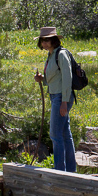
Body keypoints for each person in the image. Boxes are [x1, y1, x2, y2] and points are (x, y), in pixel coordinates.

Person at [33, 26, 77, 172]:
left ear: (53, 40)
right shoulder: (52, 55)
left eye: (46, 40)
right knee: (65, 134)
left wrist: (64, 102)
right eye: (42, 40)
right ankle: (70, 170)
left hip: (61, 97)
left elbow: (67, 78)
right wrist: (42, 79)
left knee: (55, 134)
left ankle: (59, 169)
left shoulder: (62, 54)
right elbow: (55, 77)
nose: (44, 43)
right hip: (56, 96)